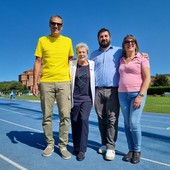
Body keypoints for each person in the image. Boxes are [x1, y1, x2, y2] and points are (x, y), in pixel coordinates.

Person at [32, 15, 74, 160]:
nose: (56, 26)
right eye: (53, 23)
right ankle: (50, 144)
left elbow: (70, 61)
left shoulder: (68, 41)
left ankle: (63, 146)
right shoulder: (42, 40)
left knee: (65, 116)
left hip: (64, 82)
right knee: (47, 116)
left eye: (59, 24)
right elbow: (38, 61)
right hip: (46, 83)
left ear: (62, 26)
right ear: (49, 24)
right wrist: (35, 82)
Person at [90, 28, 122, 161]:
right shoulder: (93, 54)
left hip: (113, 89)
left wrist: (143, 55)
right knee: (101, 118)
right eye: (101, 37)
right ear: (98, 39)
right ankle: (104, 142)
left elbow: (133, 54)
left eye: (106, 36)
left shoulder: (119, 51)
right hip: (97, 90)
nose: (104, 38)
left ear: (110, 37)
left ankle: (111, 147)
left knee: (112, 119)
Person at [118, 35, 151, 164]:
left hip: (136, 94)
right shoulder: (120, 59)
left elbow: (147, 78)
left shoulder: (142, 58)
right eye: (127, 42)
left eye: (132, 42)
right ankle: (130, 150)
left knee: (134, 122)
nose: (130, 44)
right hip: (122, 94)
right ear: (124, 45)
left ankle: (137, 151)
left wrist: (140, 96)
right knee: (126, 124)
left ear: (136, 44)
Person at [70, 43, 95, 161]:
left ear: (87, 53)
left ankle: (82, 150)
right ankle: (76, 146)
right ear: (76, 53)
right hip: (74, 98)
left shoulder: (92, 64)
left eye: (83, 52)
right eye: (79, 52)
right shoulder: (72, 65)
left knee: (84, 119)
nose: (81, 54)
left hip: (87, 99)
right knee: (75, 121)